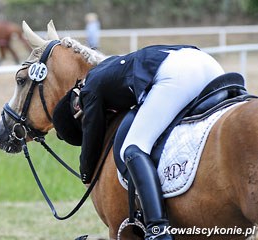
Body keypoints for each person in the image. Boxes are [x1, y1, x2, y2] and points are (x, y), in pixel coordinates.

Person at [54, 45, 225, 240]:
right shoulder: (108, 68)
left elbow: (91, 134)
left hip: (178, 75)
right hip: (208, 63)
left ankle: (157, 228)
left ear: (77, 107)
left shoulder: (89, 89)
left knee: (133, 147)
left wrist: (86, 174)